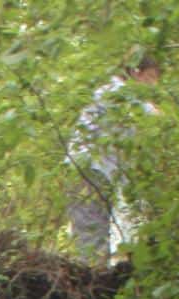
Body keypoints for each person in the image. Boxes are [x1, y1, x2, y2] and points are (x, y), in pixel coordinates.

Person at [68, 54, 161, 261]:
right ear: (136, 72)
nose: (153, 85)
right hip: (89, 172)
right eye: (151, 77)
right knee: (90, 236)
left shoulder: (119, 95)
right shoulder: (114, 91)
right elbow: (150, 117)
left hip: (99, 174)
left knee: (98, 234)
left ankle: (94, 279)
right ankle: (89, 282)